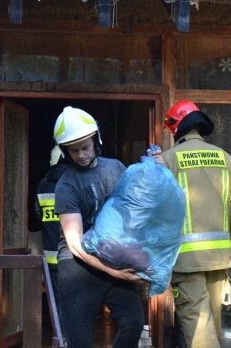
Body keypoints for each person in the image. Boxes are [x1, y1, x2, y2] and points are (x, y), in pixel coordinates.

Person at [156, 100, 231, 348]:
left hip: (186, 263)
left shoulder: (167, 160)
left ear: (176, 128)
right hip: (219, 259)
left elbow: (158, 211)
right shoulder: (225, 158)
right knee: (214, 328)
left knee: (199, 333)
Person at [52, 106, 145, 348]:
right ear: (65, 151)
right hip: (78, 266)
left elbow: (136, 206)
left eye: (84, 147)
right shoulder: (65, 186)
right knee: (79, 340)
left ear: (96, 141)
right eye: (74, 150)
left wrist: (154, 170)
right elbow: (75, 243)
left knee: (134, 321)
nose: (81, 154)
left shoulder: (116, 168)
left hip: (113, 256)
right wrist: (116, 273)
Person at [34, 145, 66, 316]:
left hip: (50, 252)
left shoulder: (42, 184)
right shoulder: (73, 181)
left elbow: (38, 214)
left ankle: (60, 338)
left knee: (56, 299)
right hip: (73, 255)